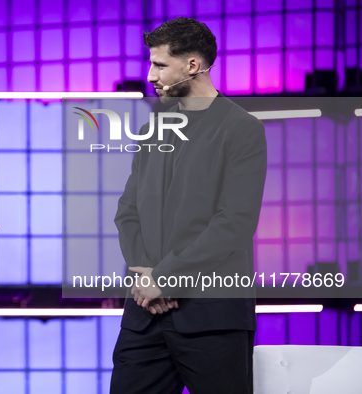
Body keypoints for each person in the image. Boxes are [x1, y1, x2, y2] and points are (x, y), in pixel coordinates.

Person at [110, 17, 267, 394]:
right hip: (144, 316)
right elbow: (127, 213)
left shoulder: (240, 128)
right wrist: (146, 279)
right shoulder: (153, 128)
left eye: (160, 65)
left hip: (211, 315)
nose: (151, 75)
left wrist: (163, 277)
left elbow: (234, 223)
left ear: (193, 65)